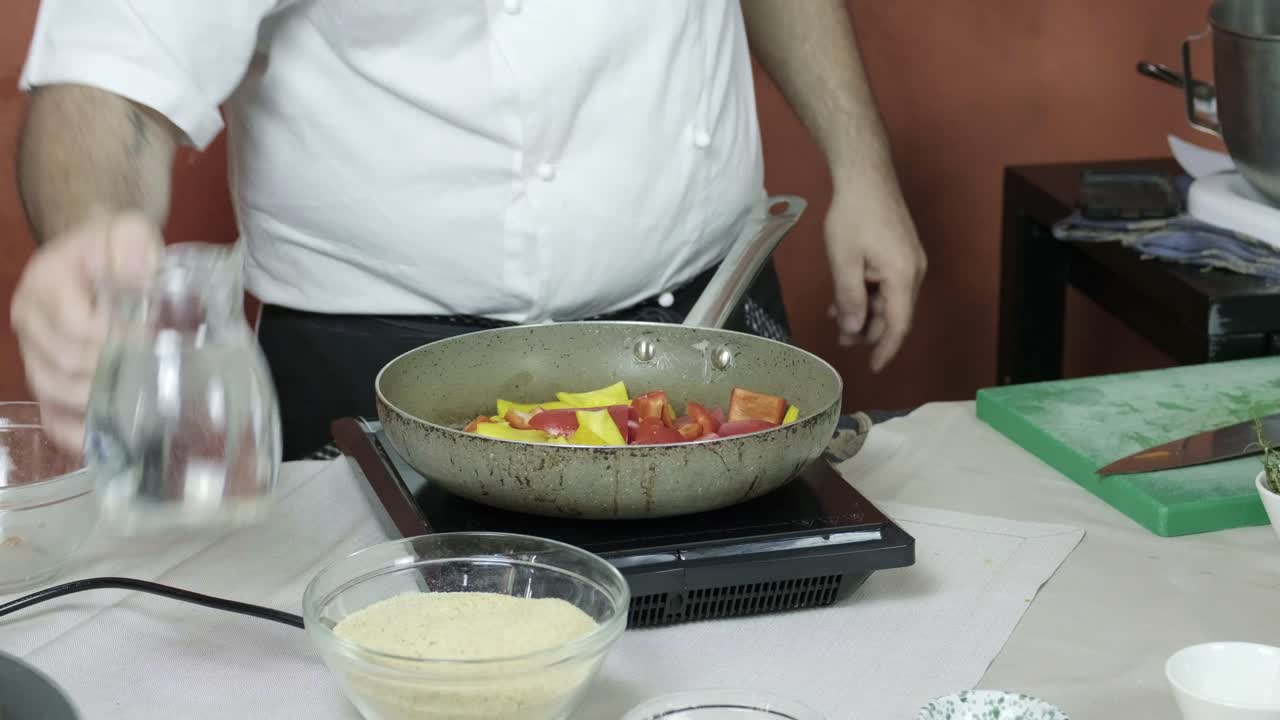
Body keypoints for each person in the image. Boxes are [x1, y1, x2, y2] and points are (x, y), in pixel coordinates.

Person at [10, 1, 926, 460]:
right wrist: (92, 235)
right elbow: (107, 80)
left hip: (705, 328)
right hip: (374, 371)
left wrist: (863, 166)